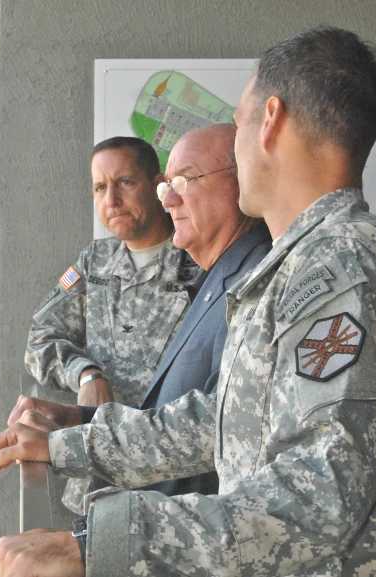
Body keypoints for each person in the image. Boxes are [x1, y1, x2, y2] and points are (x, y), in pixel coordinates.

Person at [0, 26, 376, 577]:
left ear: (270, 120)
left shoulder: (341, 265)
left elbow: (316, 494)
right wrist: (70, 446)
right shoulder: (306, 264)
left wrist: (94, 545)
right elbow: (223, 421)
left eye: (239, 123)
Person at [77, 123, 271, 502]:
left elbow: (216, 424)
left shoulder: (253, 280)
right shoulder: (222, 277)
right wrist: (77, 415)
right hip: (144, 499)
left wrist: (68, 444)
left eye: (185, 181)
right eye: (169, 187)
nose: (169, 201)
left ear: (240, 182)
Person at [26, 136, 201, 512]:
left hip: (174, 488)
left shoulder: (198, 263)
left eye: (125, 183)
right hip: (97, 478)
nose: (111, 200)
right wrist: (86, 374)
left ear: (158, 186)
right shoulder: (94, 262)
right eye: (100, 188)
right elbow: (41, 337)